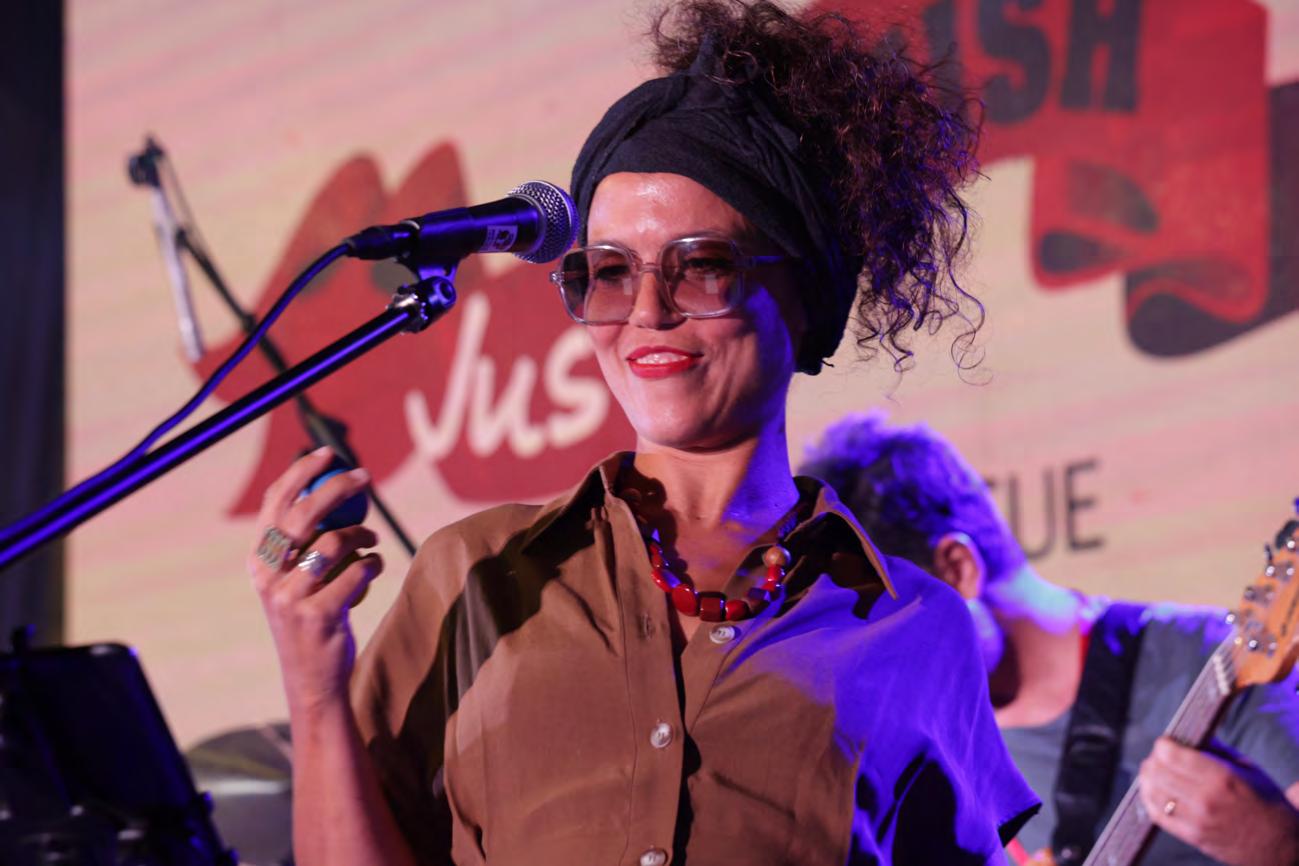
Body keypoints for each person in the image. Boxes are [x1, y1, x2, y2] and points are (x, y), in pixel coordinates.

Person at [244, 3, 1040, 864]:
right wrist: (313, 684)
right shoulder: (473, 576)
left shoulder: (915, 626)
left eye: (701, 265)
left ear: (806, 295)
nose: (647, 312)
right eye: (609, 272)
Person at [799, 413, 1299, 866]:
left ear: (958, 570)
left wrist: (1277, 846)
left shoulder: (1216, 660)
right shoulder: (926, 772)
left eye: (879, 637)